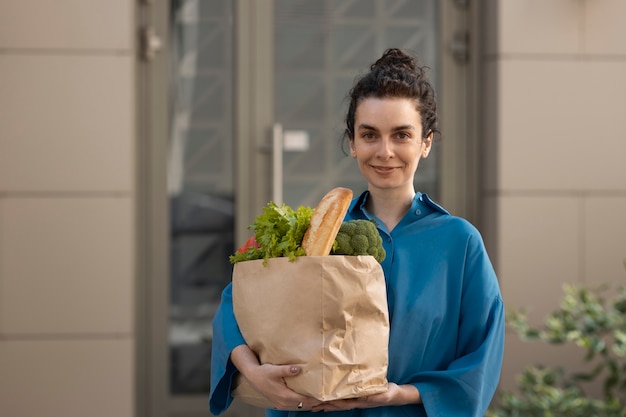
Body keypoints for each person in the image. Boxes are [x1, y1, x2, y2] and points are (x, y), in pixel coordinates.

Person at [210, 48, 505, 417]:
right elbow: (234, 305)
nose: (385, 151)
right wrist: (255, 373)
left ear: (425, 142)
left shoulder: (459, 244)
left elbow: (480, 358)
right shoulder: (313, 232)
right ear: (352, 142)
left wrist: (398, 394)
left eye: (401, 135)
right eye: (370, 135)